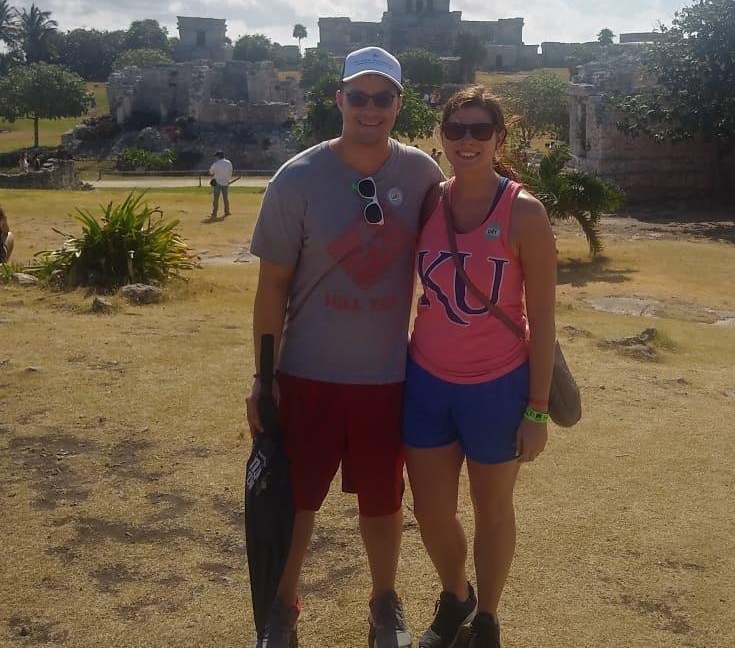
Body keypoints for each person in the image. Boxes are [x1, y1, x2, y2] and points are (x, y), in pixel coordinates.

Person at [247, 46, 443, 648]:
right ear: (338, 100)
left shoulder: (422, 175)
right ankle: (282, 608)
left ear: (398, 105)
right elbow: (272, 287)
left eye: (383, 98)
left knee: (384, 505)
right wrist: (264, 378)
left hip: (386, 377)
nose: (370, 108)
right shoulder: (297, 177)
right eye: (358, 96)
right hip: (307, 373)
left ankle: (385, 603)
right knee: (297, 501)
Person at [404, 86, 557, 648]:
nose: (466, 141)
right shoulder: (428, 202)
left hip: (498, 385)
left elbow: (542, 318)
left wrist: (536, 411)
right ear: (442, 137)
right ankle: (456, 594)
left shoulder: (524, 212)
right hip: (427, 381)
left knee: (493, 510)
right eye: (455, 130)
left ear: (499, 138)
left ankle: (487, 618)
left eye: (479, 130)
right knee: (430, 511)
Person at [209, 150, 233, 218]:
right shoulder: (229, 162)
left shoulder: (216, 163)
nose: (215, 158)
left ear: (218, 156)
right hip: (226, 182)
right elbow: (230, 172)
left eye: (216, 156)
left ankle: (214, 213)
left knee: (216, 198)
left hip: (217, 182)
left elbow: (211, 172)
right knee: (226, 198)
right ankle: (227, 211)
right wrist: (228, 180)